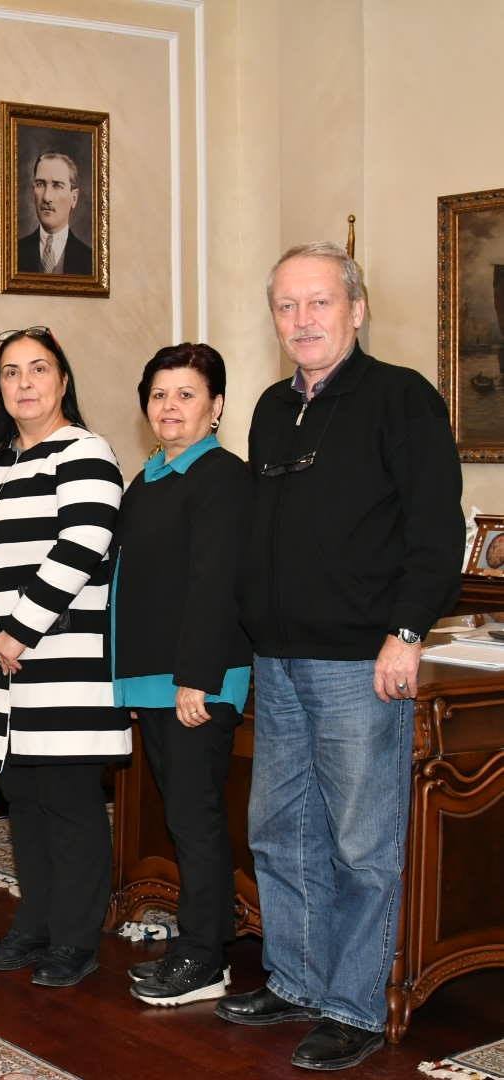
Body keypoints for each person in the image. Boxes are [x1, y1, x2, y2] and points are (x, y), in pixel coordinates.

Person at [218, 242, 463, 1071]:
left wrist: (407, 632)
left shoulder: (402, 398)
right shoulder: (269, 407)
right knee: (280, 833)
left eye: (319, 302)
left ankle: (353, 1006)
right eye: (287, 306)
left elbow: (436, 531)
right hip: (278, 660)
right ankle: (296, 980)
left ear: (356, 309)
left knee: (361, 844)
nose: (302, 320)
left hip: (361, 662)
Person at [0, 326, 125, 989]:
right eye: (11, 371)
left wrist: (20, 629)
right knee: (23, 800)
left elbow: (82, 544)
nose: (24, 382)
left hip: (63, 661)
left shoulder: (86, 451)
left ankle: (76, 938)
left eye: (37, 369)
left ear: (62, 380)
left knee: (69, 803)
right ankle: (35, 921)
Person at [110, 343, 252, 1007]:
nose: (170, 406)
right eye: (160, 394)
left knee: (195, 819)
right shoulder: (149, 479)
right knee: (180, 815)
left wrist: (195, 677)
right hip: (154, 679)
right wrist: (127, 682)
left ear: (215, 407)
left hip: (197, 679)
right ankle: (201, 942)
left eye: (186, 394)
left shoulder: (222, 477)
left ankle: (205, 959)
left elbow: (215, 582)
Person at [15, 152, 93, 276]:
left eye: (57, 186)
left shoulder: (91, 261)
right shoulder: (13, 253)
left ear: (74, 198)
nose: (47, 197)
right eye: (40, 184)